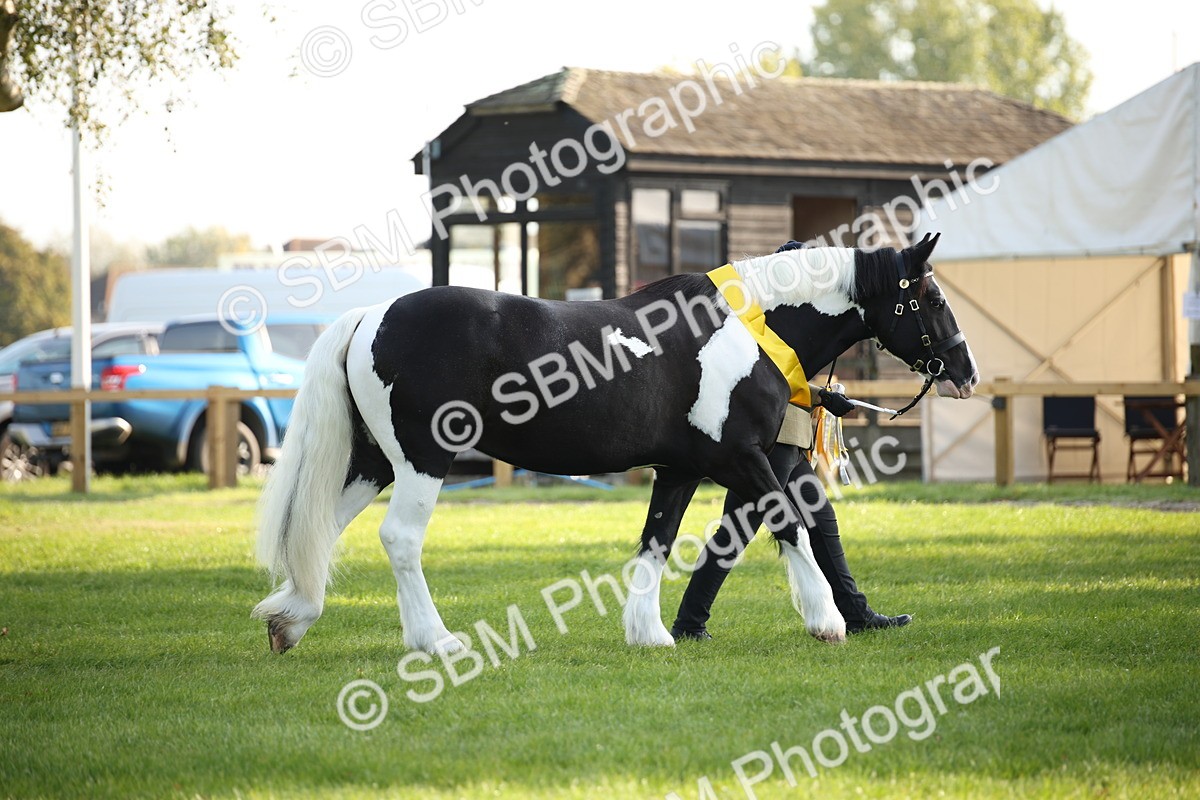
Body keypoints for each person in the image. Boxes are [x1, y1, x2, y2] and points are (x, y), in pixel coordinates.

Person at [670, 241, 912, 641]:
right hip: (773, 431)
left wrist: (820, 395)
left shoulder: (789, 310)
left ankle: (853, 610)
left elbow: (789, 371)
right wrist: (821, 396)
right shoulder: (769, 312)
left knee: (817, 514)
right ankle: (689, 623)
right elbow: (773, 375)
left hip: (790, 427)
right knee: (742, 522)